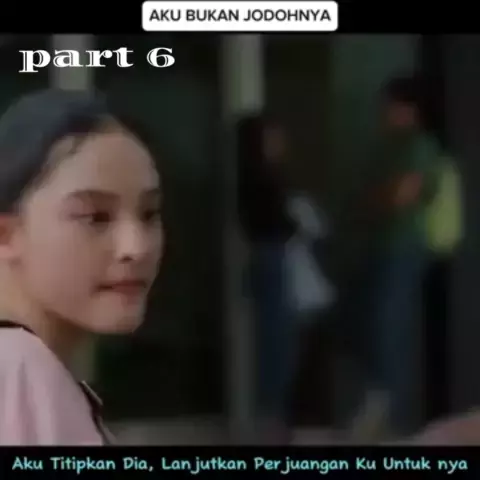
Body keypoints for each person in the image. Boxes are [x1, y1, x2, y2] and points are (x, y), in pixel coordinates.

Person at [0, 89, 163, 445]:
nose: (135, 248)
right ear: (6, 234)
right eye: (95, 217)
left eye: (149, 213)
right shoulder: (17, 369)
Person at [363, 76, 441, 435]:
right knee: (382, 327)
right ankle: (386, 413)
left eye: (390, 106)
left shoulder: (419, 146)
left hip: (404, 249)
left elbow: (398, 197)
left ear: (409, 109)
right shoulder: (389, 148)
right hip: (385, 248)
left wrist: (380, 197)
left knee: (391, 328)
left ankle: (393, 418)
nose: (384, 113)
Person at [237, 114, 295, 443]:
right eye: (273, 137)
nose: (280, 144)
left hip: (267, 258)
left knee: (275, 338)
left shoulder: (256, 176)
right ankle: (270, 418)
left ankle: (271, 416)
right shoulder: (261, 178)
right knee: (275, 340)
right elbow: (276, 222)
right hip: (270, 257)